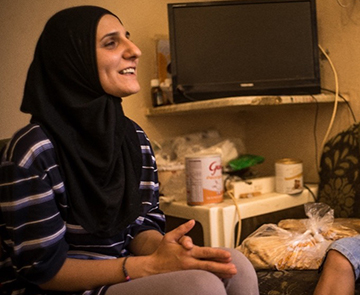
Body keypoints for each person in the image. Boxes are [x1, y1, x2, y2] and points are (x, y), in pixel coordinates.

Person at [0, 6, 259, 295]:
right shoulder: (33, 151)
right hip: (61, 288)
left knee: (236, 265)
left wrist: (170, 251)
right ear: (72, 61)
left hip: (123, 270)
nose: (134, 50)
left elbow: (141, 225)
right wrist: (149, 267)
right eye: (112, 43)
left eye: (128, 38)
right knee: (200, 285)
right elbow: (45, 271)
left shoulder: (132, 137)